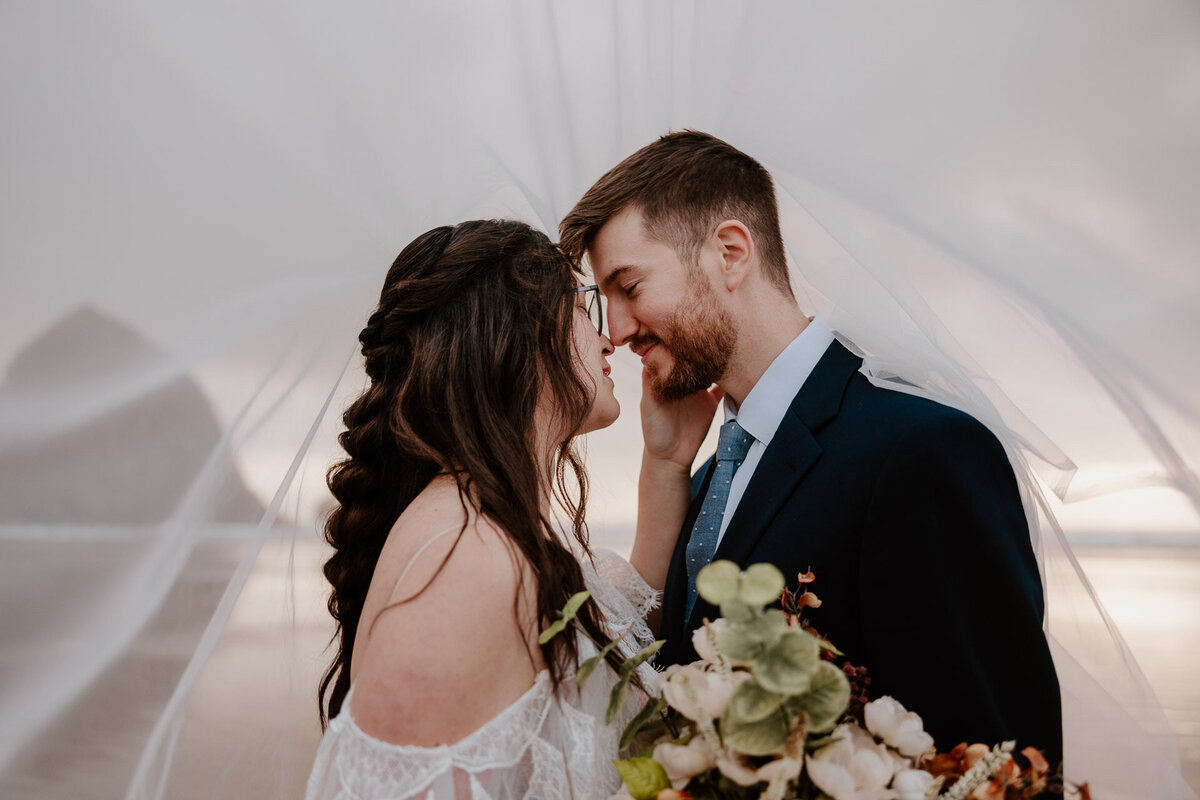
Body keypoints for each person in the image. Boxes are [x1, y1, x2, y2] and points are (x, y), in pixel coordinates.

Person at [559, 130, 1064, 766]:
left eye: (629, 287)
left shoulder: (922, 451)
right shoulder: (710, 475)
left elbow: (1002, 759)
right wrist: (664, 468)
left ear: (731, 253)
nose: (621, 330)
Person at [305, 219, 714, 799]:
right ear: (519, 331)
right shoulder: (462, 558)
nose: (609, 340)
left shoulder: (489, 525)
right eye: (583, 308)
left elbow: (619, 634)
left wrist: (667, 462)